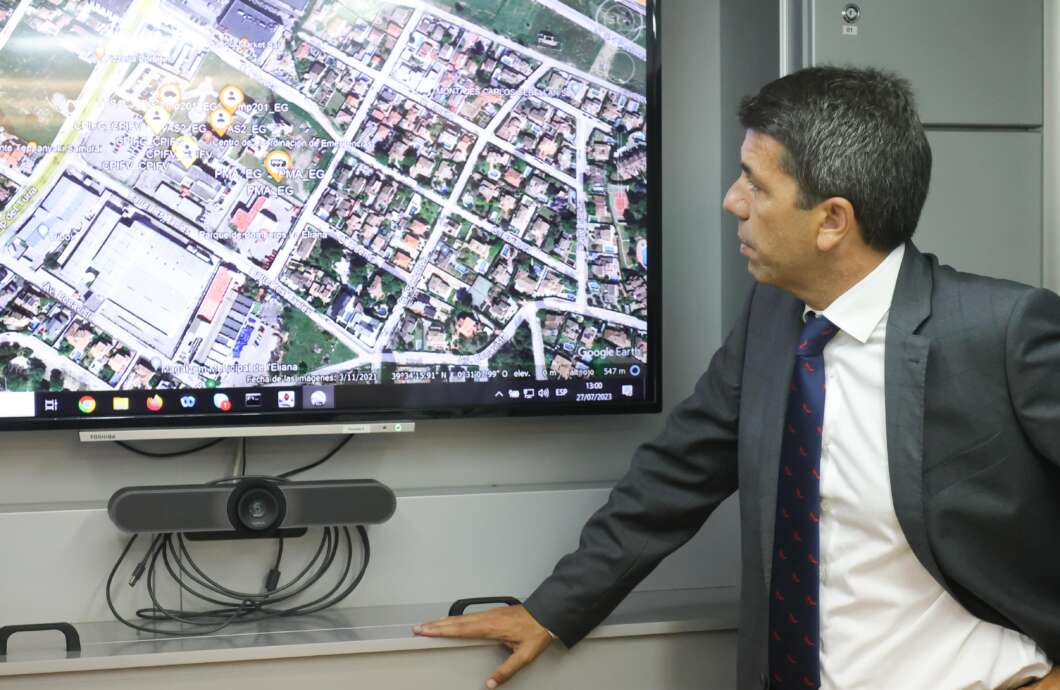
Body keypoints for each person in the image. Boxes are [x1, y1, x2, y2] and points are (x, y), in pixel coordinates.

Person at [413, 66, 1060, 690]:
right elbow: (680, 472)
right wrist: (550, 610)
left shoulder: (1004, 334)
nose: (733, 201)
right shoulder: (776, 317)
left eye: (755, 183)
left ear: (832, 220)